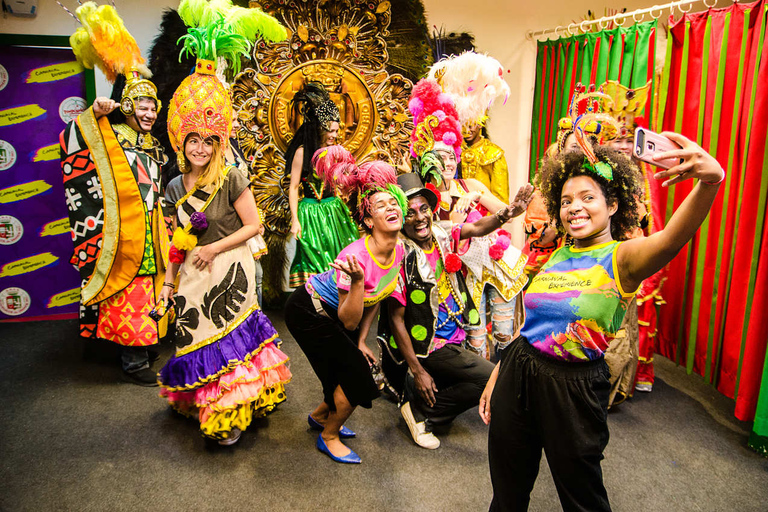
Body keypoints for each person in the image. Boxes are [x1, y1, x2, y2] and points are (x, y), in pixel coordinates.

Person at [480, 135, 725, 511]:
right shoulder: (562, 249)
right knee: (508, 493)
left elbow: (673, 239)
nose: (573, 208)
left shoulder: (624, 258)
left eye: (587, 198)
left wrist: (711, 182)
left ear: (612, 205)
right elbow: (533, 325)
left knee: (583, 499)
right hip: (519, 371)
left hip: (573, 390)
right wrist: (499, 371)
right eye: (565, 201)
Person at [157, 4, 291, 445]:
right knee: (196, 339)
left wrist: (215, 247)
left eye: (206, 140)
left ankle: (230, 412)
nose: (199, 146)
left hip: (230, 264)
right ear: (183, 141)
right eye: (191, 139)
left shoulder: (231, 176)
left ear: (217, 143)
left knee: (231, 340)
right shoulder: (176, 185)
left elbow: (253, 226)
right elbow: (177, 241)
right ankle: (199, 400)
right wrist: (168, 281)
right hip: (193, 272)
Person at [379, 173, 532, 449]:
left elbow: (477, 228)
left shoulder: (441, 232)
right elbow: (395, 320)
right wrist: (417, 369)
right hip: (428, 345)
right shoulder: (400, 255)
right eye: (410, 212)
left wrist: (507, 213)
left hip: (454, 334)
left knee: (474, 377)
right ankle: (421, 413)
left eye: (423, 209)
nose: (419, 218)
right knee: (490, 378)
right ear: (401, 218)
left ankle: (425, 396)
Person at [60, 3, 169, 386]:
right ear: (126, 105)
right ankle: (133, 360)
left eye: (152, 105)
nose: (148, 111)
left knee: (151, 285)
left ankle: (141, 344)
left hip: (153, 229)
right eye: (141, 103)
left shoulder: (152, 143)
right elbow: (72, 143)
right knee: (131, 289)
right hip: (122, 232)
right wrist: (93, 114)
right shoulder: (109, 135)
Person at [284, 161, 407, 464]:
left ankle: (319, 416)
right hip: (308, 311)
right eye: (380, 205)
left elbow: (377, 296)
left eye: (394, 202)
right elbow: (347, 319)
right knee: (356, 379)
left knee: (343, 367)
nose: (391, 207)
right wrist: (357, 281)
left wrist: (363, 340)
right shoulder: (353, 257)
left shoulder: (398, 249)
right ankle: (328, 435)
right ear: (368, 220)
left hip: (334, 313)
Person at [408, 78, 528, 361]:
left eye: (452, 156)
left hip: (495, 265)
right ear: (428, 161)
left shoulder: (470, 184)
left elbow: (508, 213)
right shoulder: (424, 201)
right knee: (475, 341)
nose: (448, 162)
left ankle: (506, 384)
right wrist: (456, 222)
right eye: (440, 157)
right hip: (459, 276)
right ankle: (480, 389)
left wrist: (480, 200)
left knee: (503, 332)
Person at [601, 79, 666, 394]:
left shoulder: (645, 175)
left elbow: (652, 222)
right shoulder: (599, 170)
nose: (624, 146)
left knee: (632, 318)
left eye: (630, 141)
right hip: (604, 251)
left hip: (634, 248)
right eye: (618, 140)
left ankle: (627, 378)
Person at [287, 82, 359, 288]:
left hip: (334, 211)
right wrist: (295, 220)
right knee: (312, 258)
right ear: (318, 128)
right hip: (309, 213)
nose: (335, 136)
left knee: (340, 255)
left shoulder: (337, 152)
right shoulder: (302, 153)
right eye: (331, 131)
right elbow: (293, 187)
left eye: (337, 131)